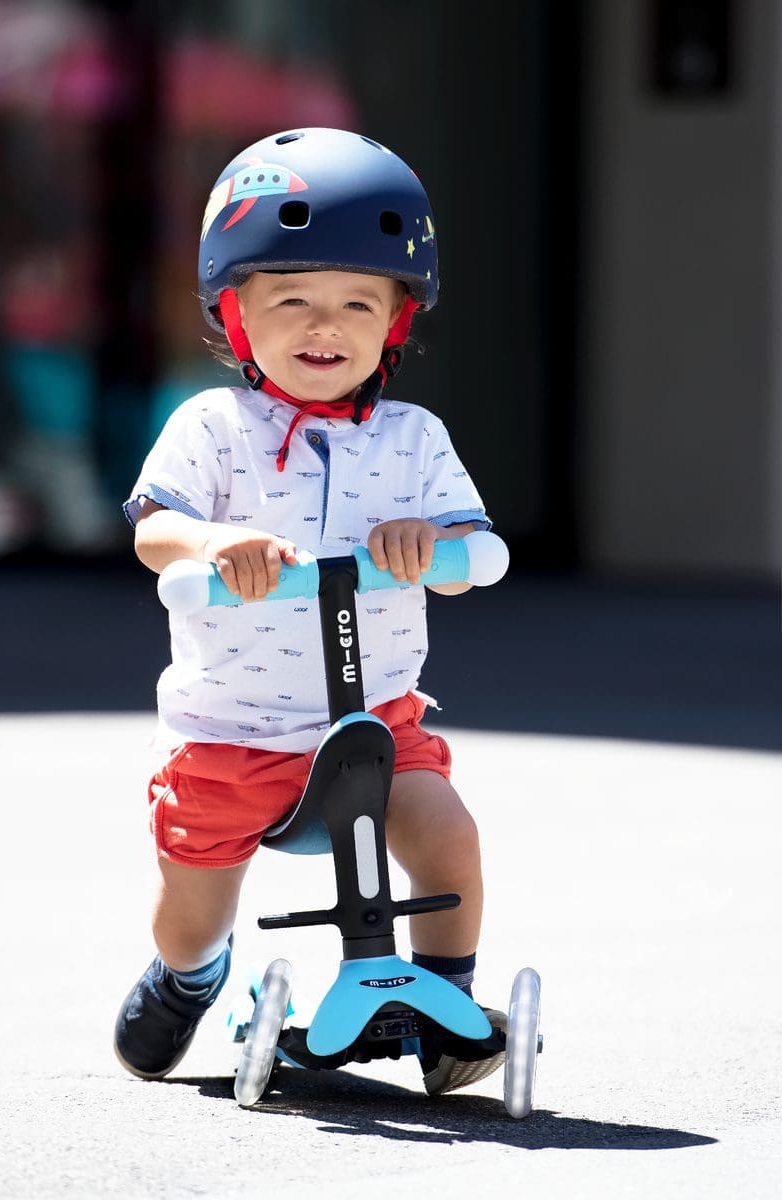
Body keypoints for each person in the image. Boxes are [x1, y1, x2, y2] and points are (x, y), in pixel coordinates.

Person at [114, 127, 504, 1095]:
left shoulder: (415, 440)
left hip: (378, 722)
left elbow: (475, 555)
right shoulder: (213, 428)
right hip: (235, 731)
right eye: (291, 300)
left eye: (355, 304)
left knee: (447, 833)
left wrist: (434, 545)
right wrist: (213, 546)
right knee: (191, 910)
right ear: (238, 314)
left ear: (394, 324)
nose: (323, 326)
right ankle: (190, 975)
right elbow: (153, 530)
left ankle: (442, 994)